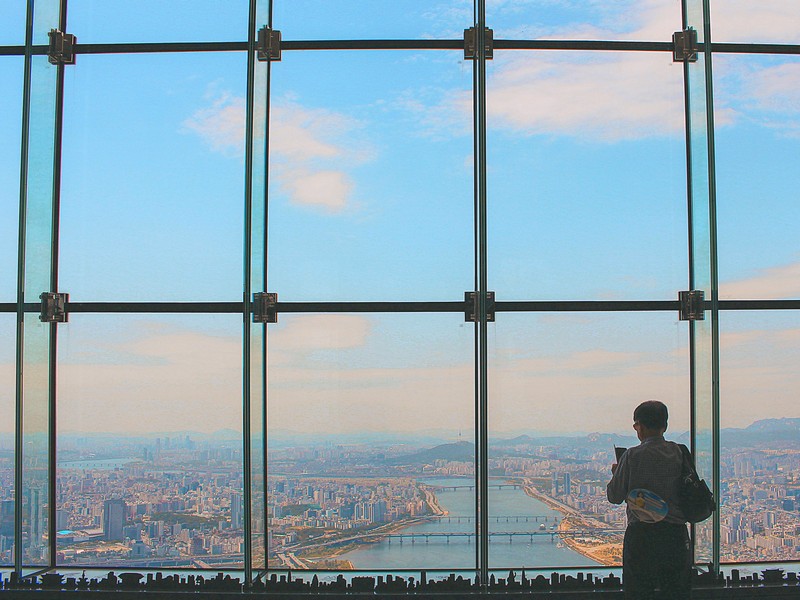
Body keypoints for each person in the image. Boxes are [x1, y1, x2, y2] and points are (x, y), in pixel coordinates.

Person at [607, 400, 691, 599]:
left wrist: (616, 474)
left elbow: (614, 496)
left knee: (639, 593)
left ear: (640, 427)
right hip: (675, 536)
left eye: (636, 426)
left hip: (642, 537)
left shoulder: (631, 456)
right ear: (665, 426)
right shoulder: (680, 453)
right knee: (676, 593)